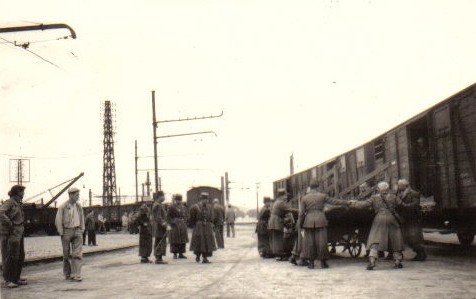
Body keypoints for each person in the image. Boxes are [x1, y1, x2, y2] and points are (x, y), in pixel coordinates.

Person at [351, 181, 405, 270]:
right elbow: (402, 205)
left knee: (375, 240)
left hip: (379, 218)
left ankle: (372, 261)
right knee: (395, 239)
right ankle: (397, 261)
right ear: (387, 189)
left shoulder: (374, 198)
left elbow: (363, 204)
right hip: (392, 218)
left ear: (379, 189)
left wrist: (352, 203)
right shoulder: (394, 197)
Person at [299, 178, 350, 269]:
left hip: (308, 221)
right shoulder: (322, 196)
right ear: (318, 186)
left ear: (310, 187)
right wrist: (346, 202)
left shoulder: (304, 198)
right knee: (322, 242)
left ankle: (311, 263)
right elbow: (334, 201)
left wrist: (301, 224)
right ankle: (323, 263)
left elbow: (301, 214)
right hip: (320, 219)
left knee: (310, 242)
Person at [55, 187, 85, 282]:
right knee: (66, 254)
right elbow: (58, 220)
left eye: (78, 195)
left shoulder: (79, 206)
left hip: (77, 230)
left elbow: (82, 218)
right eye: (77, 195)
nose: (78, 197)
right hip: (66, 231)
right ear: (71, 195)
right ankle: (67, 273)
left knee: (77, 253)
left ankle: (76, 274)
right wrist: (61, 232)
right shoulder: (63, 207)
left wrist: (82, 229)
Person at [0, 185, 27, 288]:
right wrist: (9, 223)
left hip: (19, 233)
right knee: (10, 256)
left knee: (20, 256)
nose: (23, 194)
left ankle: (16, 278)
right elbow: (1, 212)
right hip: (12, 233)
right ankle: (8, 280)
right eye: (22, 192)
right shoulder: (10, 202)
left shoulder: (18, 203)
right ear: (17, 193)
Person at [397, 178, 427, 261]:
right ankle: (418, 254)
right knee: (409, 237)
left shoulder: (414, 193)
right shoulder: (400, 193)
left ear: (405, 185)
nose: (398, 187)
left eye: (400, 185)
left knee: (415, 237)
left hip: (412, 219)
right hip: (405, 219)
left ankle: (421, 254)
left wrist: (401, 204)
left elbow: (413, 206)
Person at [267, 188, 294, 261]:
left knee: (276, 238)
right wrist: (299, 210)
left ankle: (277, 254)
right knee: (278, 238)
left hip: (274, 220)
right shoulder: (281, 202)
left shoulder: (277, 201)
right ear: (282, 196)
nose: (286, 197)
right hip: (276, 220)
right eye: (285, 195)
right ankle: (279, 255)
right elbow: (289, 209)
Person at [189, 192, 217, 263]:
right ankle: (198, 255)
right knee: (199, 241)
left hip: (207, 226)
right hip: (199, 226)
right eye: (204, 199)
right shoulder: (195, 207)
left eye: (207, 199)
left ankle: (205, 257)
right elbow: (192, 218)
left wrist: (211, 223)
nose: (206, 201)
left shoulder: (210, 207)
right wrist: (194, 225)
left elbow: (212, 217)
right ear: (201, 199)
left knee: (207, 241)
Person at [167, 194, 189, 259]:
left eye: (180, 200)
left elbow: (186, 215)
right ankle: (175, 254)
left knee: (182, 239)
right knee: (175, 239)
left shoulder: (183, 207)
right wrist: (172, 222)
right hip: (175, 225)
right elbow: (168, 217)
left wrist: (185, 220)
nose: (178, 201)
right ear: (175, 200)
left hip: (182, 225)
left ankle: (181, 253)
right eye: (177, 200)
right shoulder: (171, 207)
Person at [151, 191, 169, 264]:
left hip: (159, 226)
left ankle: (159, 257)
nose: (164, 197)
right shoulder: (158, 205)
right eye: (163, 196)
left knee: (159, 241)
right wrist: (165, 225)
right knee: (160, 241)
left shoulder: (158, 204)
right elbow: (158, 218)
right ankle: (158, 258)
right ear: (159, 196)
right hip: (159, 227)